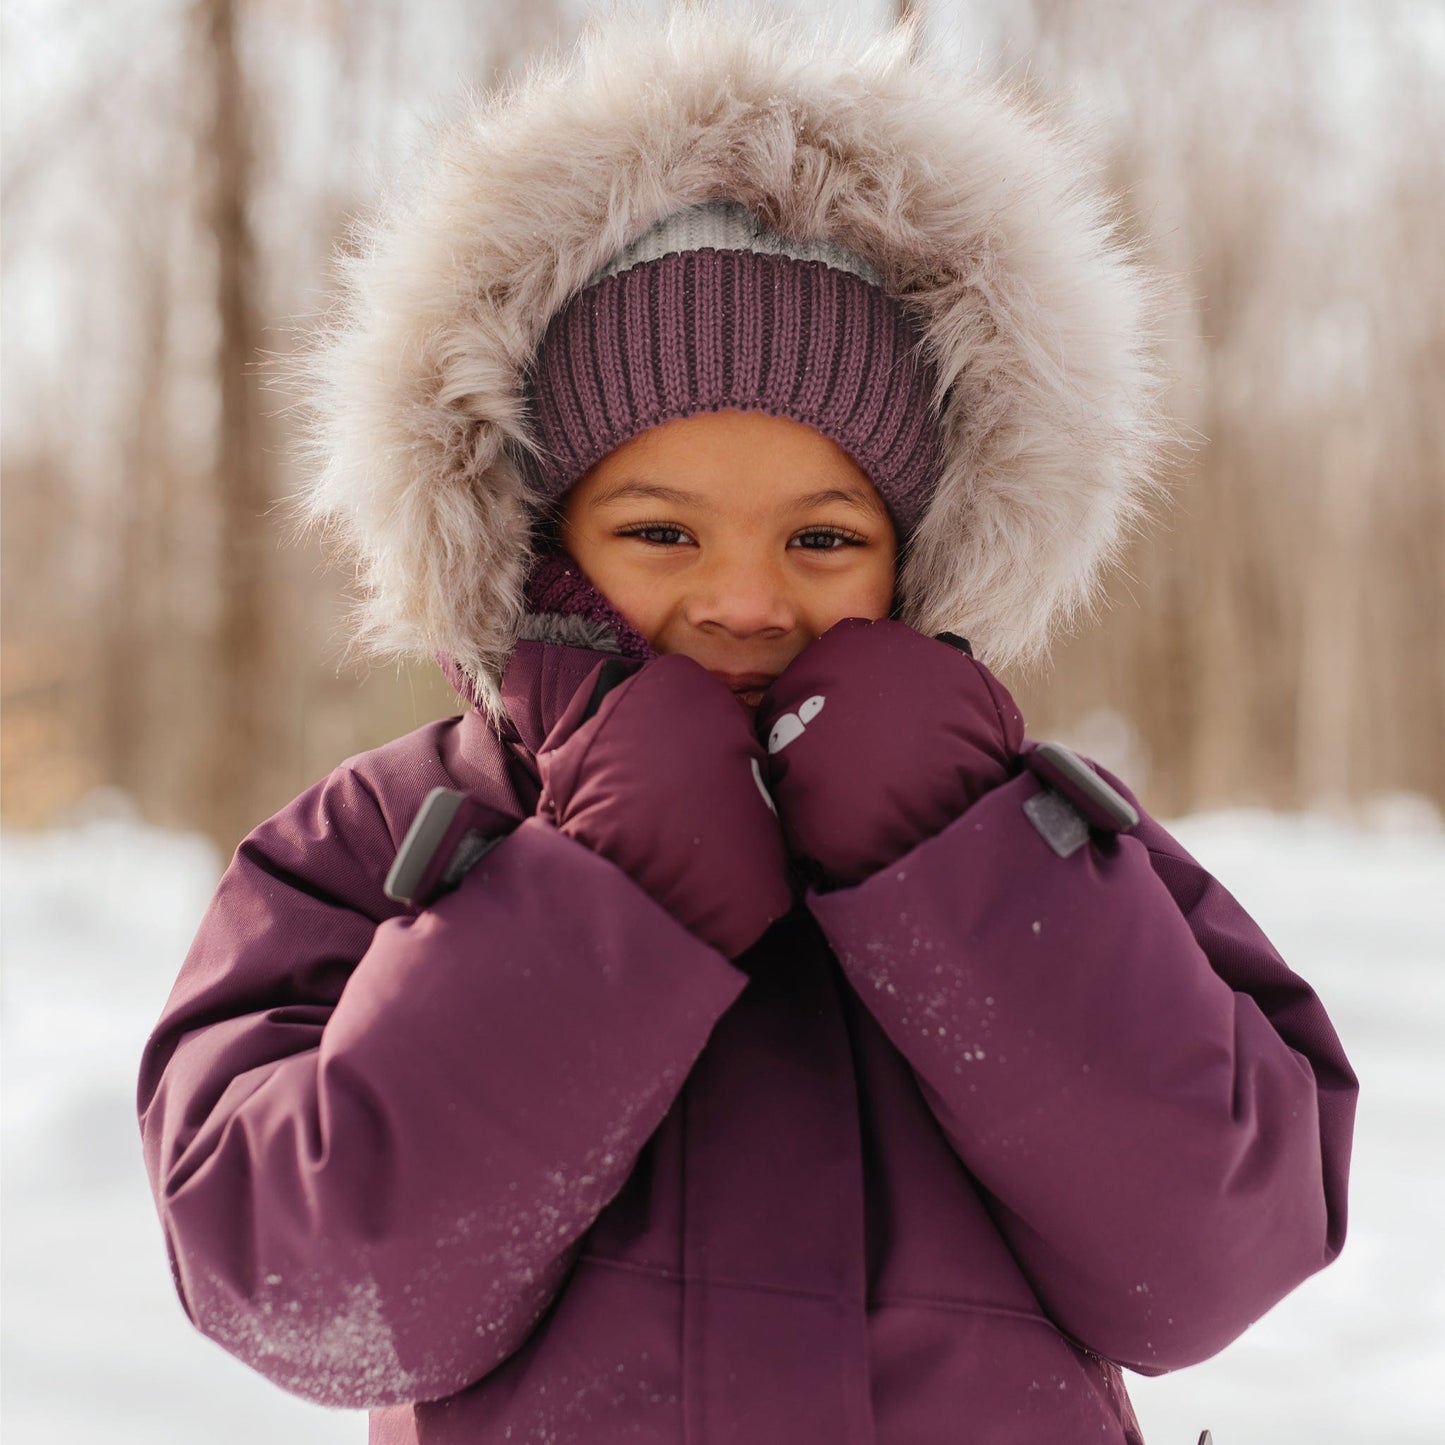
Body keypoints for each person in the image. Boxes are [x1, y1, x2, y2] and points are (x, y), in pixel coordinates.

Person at [136, 10, 1357, 1443]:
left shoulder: (1033, 833)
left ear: (918, 553)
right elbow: (300, 1287)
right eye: (659, 528)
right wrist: (605, 899)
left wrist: (950, 855)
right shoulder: (387, 842)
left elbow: (1213, 1256)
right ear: (537, 540)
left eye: (823, 535)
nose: (741, 596)